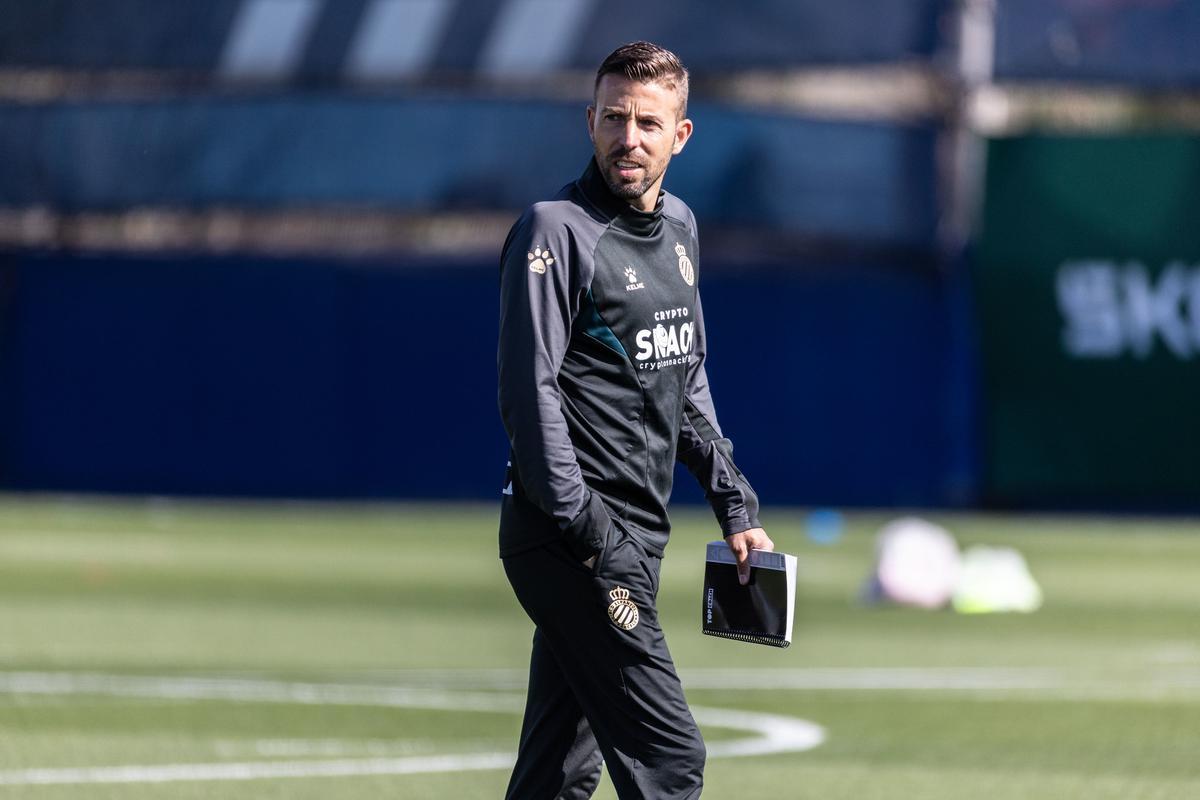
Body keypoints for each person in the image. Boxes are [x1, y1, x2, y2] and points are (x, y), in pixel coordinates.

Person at [497, 41, 772, 800]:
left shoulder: (679, 228)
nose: (630, 138)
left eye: (649, 123)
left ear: (680, 135)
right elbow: (530, 394)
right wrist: (590, 534)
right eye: (615, 118)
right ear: (590, 121)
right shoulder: (555, 230)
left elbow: (685, 379)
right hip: (572, 541)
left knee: (558, 773)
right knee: (670, 761)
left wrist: (733, 503)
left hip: (637, 539)